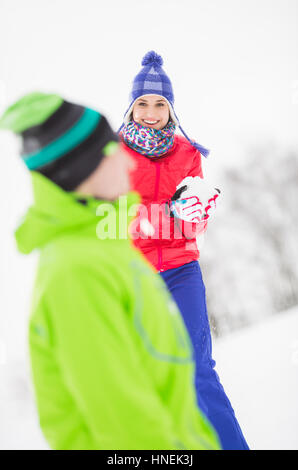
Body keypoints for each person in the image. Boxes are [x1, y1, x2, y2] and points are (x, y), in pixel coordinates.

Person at [0, 92, 220, 450]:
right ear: (81, 168)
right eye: (113, 152)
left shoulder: (104, 250)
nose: (130, 164)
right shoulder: (78, 273)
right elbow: (128, 431)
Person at [118, 51, 249, 450]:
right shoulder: (112, 154)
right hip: (133, 275)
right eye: (143, 103)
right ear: (131, 107)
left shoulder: (188, 154)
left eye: (160, 104)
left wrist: (195, 212)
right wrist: (167, 214)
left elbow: (193, 223)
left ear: (171, 109)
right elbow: (115, 219)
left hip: (181, 271)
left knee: (199, 370)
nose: (151, 112)